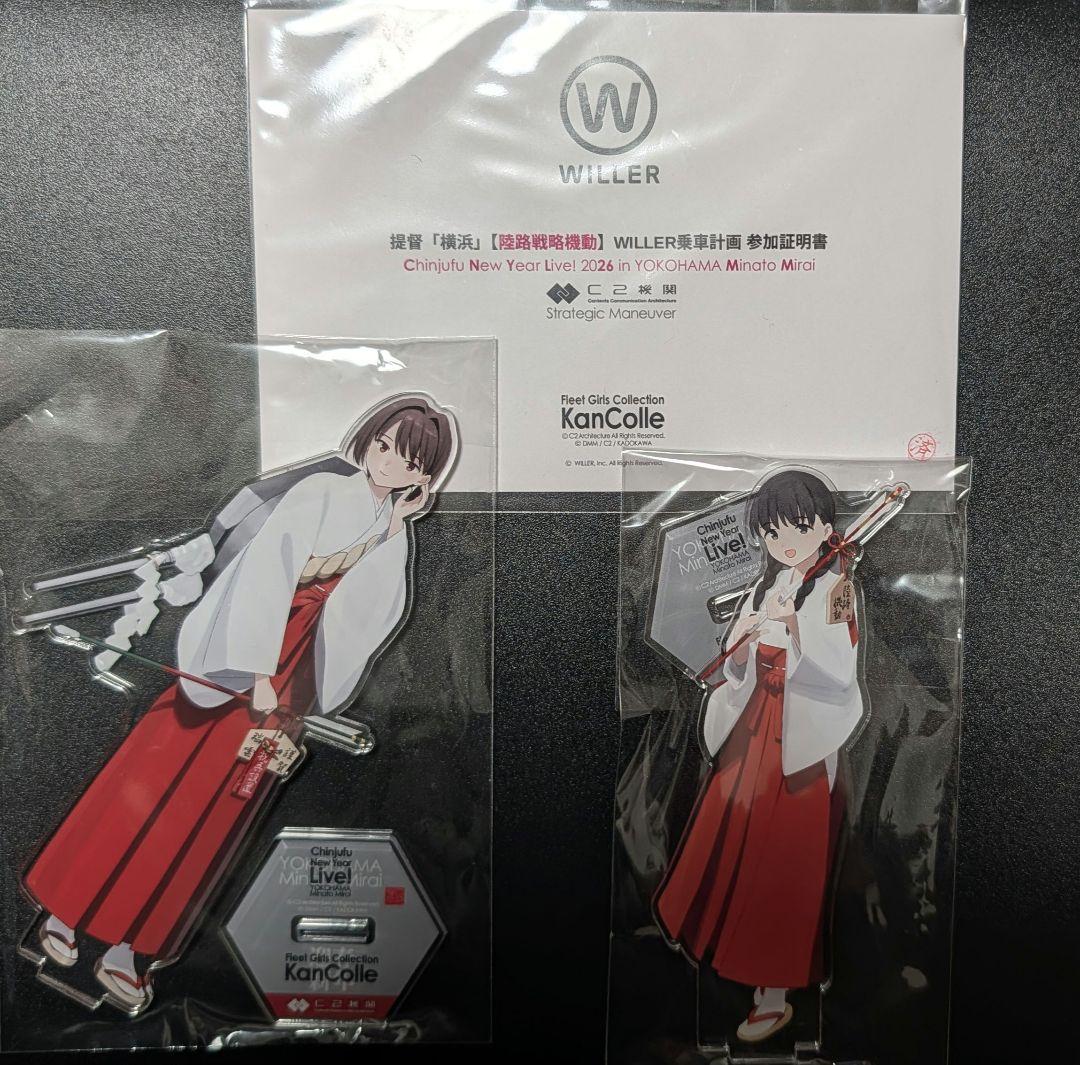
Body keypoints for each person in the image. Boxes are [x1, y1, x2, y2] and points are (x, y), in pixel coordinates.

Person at [25, 394, 456, 1012]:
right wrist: (256, 672)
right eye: (383, 445)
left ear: (422, 476)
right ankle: (66, 913)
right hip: (238, 657)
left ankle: (131, 949)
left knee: (212, 816)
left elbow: (369, 618)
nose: (386, 462)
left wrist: (393, 529)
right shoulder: (319, 493)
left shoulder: (393, 529)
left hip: (298, 673)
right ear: (367, 438)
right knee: (149, 778)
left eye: (407, 461)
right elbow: (263, 577)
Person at [654, 469, 861, 1044]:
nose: (785, 542)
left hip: (800, 740)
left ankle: (774, 993)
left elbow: (840, 671)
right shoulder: (766, 587)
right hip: (753, 731)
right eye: (772, 532)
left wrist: (794, 626)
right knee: (728, 841)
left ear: (825, 525)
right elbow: (736, 667)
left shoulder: (837, 588)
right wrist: (743, 640)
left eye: (799, 526)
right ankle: (711, 947)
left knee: (786, 859)